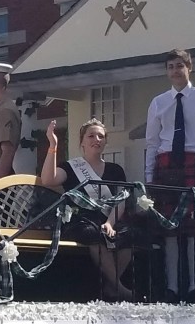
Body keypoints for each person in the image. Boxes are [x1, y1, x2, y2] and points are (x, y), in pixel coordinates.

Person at [145, 48, 195, 302]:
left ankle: (193, 288)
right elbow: (151, 142)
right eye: (170, 66)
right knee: (169, 229)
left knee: (194, 229)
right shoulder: (158, 102)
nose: (175, 71)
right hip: (166, 165)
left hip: (194, 163)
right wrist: (148, 179)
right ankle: (171, 288)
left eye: (179, 66)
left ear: (189, 68)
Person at [41, 118, 134, 301]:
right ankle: (119, 288)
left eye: (101, 136)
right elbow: (48, 179)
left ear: (105, 141)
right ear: (82, 142)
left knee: (130, 234)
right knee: (92, 233)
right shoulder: (71, 167)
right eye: (91, 136)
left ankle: (111, 287)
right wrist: (53, 145)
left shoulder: (115, 170)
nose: (96, 139)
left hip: (109, 220)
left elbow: (121, 200)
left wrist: (110, 223)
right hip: (80, 221)